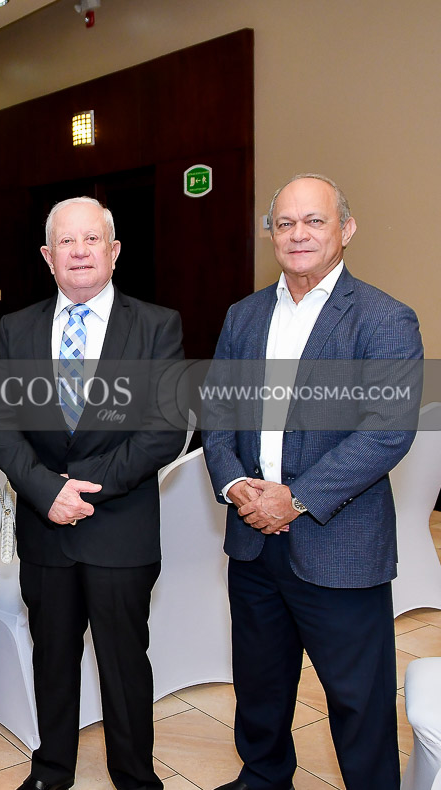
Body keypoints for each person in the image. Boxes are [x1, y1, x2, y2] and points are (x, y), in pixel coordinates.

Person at [201, 174, 423, 790]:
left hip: (339, 544)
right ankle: (263, 780)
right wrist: (234, 484)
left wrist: (296, 499)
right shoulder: (243, 316)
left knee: (358, 700)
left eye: (314, 221)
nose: (298, 234)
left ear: (345, 230)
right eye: (285, 223)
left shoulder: (384, 318)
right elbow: (216, 413)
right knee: (260, 688)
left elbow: (387, 431)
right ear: (271, 234)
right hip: (253, 542)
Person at [0, 197, 185, 790]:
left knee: (124, 664)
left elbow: (165, 430)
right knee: (51, 659)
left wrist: (86, 491)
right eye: (65, 242)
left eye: (91, 239)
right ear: (47, 257)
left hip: (119, 526)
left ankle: (135, 777)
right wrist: (47, 491)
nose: (79, 252)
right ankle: (51, 771)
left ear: (114, 251)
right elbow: (0, 424)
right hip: (46, 528)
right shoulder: (15, 329)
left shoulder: (156, 326)